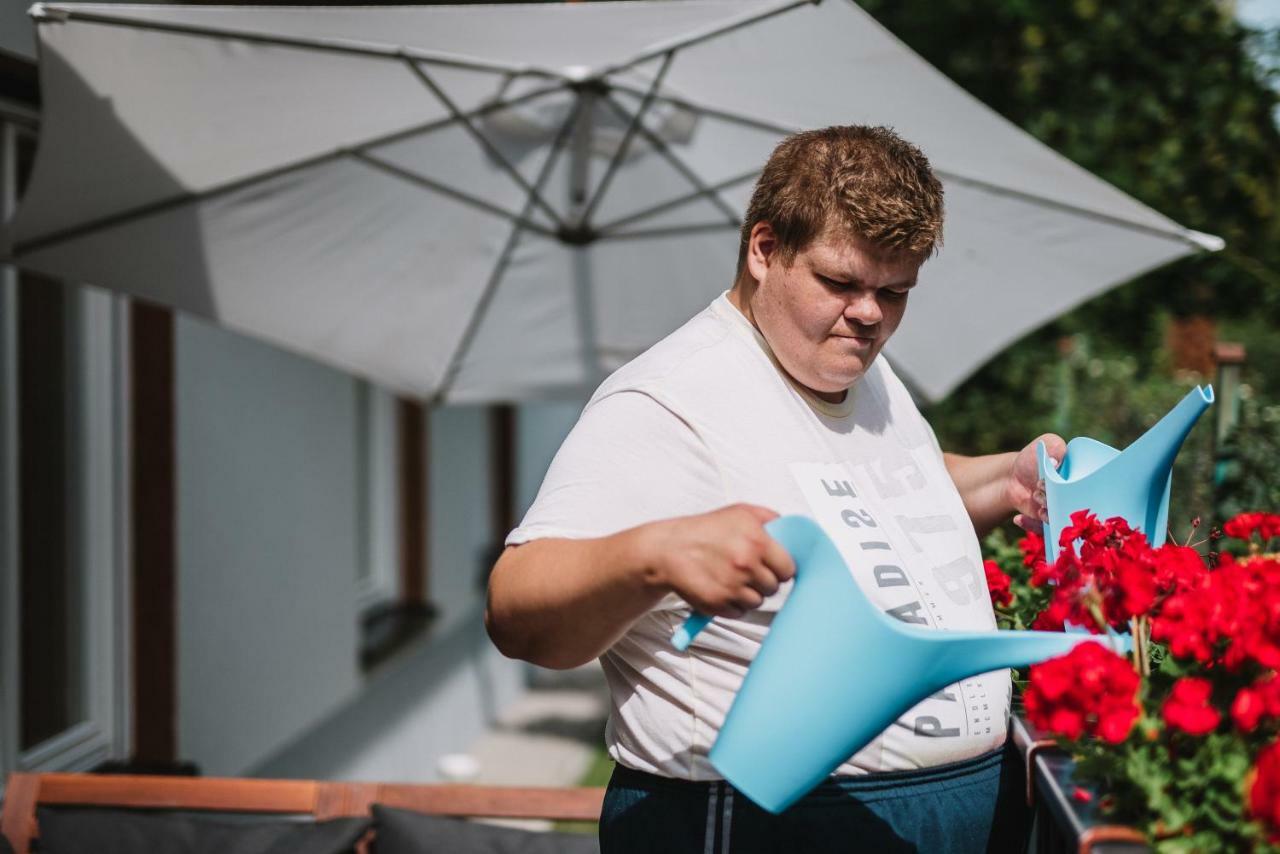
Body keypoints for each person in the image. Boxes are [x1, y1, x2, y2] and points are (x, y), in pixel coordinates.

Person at [484, 126, 1064, 853]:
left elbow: (885, 483)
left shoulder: (855, 366)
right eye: (841, 282)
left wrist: (1001, 478)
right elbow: (514, 608)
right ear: (763, 249)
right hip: (762, 825)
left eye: (894, 291)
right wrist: (653, 554)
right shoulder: (664, 401)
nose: (870, 314)